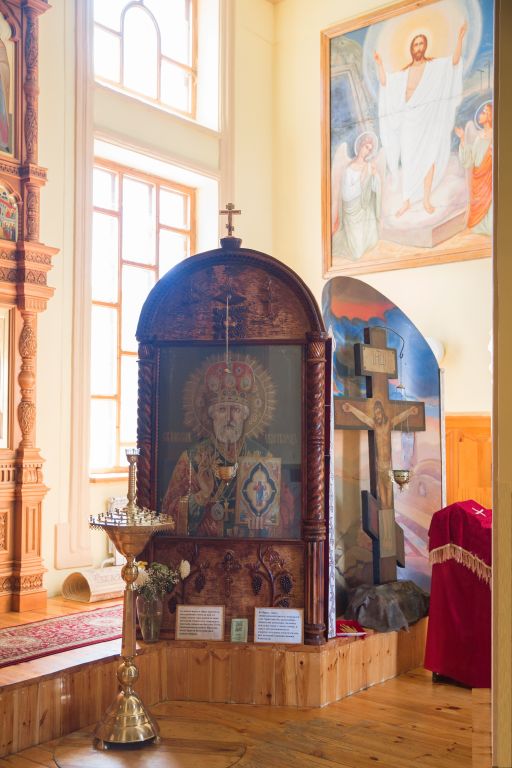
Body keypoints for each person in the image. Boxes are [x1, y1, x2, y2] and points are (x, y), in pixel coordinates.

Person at [162, 357, 297, 538]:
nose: (229, 418)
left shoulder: (263, 457)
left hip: (250, 547)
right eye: (222, 410)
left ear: (245, 416)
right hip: (202, 548)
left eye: (236, 410)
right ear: (211, 415)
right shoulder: (192, 459)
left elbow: (286, 509)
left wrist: (265, 517)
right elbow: (168, 515)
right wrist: (201, 496)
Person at [374, 23, 467, 217]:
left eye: (421, 44)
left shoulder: (434, 67)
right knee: (409, 161)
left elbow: (454, 61)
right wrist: (380, 64)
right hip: (409, 122)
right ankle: (406, 201)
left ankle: (426, 199)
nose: (418, 47)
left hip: (427, 119)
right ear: (411, 48)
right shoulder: (403, 74)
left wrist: (459, 38)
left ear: (425, 46)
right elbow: (385, 83)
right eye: (415, 44)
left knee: (429, 157)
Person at [342, 399, 418, 510]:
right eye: (376, 413)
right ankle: (384, 511)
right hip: (379, 465)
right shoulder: (374, 425)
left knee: (389, 493)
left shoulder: (389, 424)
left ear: (382, 412)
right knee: (382, 497)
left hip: (388, 464)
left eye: (379, 412)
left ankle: (388, 511)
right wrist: (351, 409)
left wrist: (410, 411)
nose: (377, 415)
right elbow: (363, 417)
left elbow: (400, 417)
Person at [331, 132, 381, 261]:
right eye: (366, 147)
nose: (367, 151)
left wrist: (374, 176)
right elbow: (346, 192)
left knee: (367, 244)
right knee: (356, 252)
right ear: (360, 146)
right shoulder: (349, 167)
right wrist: (362, 183)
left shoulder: (369, 167)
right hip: (350, 210)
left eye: (370, 149)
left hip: (364, 210)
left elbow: (374, 188)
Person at [454, 101, 493, 235]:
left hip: (489, 179)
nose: (481, 114)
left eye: (484, 112)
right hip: (478, 178)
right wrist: (462, 139)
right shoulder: (479, 136)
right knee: (476, 224)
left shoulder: (496, 135)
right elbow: (470, 160)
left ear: (490, 116)